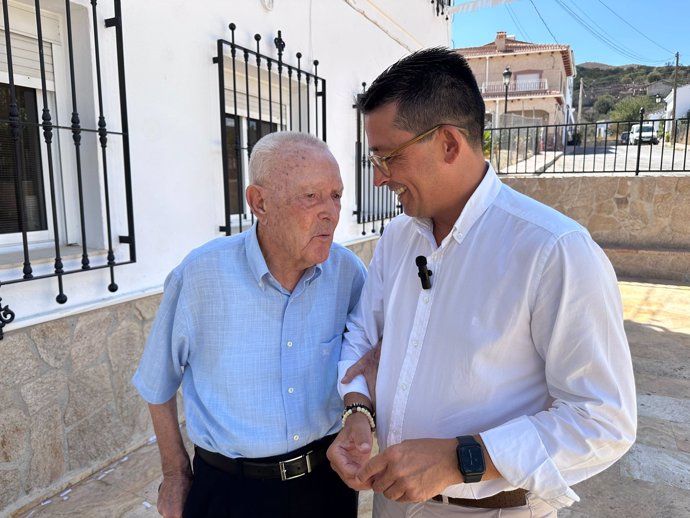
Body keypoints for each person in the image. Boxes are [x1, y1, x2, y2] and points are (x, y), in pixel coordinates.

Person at [327, 47, 637, 517]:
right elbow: (362, 337)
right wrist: (358, 413)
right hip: (393, 504)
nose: (378, 177)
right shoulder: (396, 238)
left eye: (389, 158)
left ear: (449, 144)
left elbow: (603, 420)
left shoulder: (552, 250)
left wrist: (462, 458)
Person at [132, 131, 367, 518]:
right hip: (229, 492)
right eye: (310, 196)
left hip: (326, 485)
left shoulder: (348, 275)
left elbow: (366, 361)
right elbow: (157, 383)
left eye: (336, 196)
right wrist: (174, 474)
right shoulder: (199, 276)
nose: (331, 212)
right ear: (260, 202)